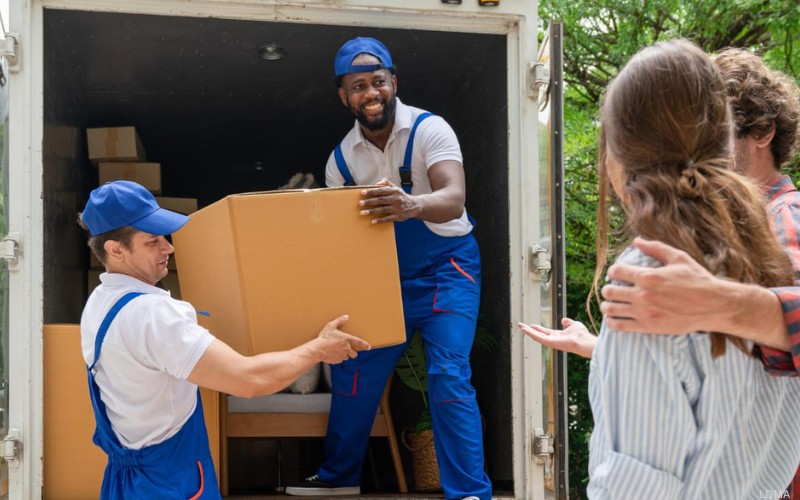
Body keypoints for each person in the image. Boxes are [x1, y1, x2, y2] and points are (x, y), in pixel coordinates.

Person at [525, 39, 800, 497]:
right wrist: (608, 350)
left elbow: (634, 484)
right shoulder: (758, 248)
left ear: (621, 151)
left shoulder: (654, 273)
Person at [284, 37, 490, 500]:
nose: (370, 92)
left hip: (447, 270)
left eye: (378, 81)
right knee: (354, 370)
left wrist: (411, 204)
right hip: (384, 279)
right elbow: (346, 239)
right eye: (359, 86)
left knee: (447, 373)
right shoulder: (340, 160)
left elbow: (454, 198)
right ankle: (339, 479)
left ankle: (469, 491)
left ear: (393, 82)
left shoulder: (431, 129)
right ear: (344, 96)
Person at [78, 180, 370, 499]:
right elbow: (249, 380)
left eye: (164, 237)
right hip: (170, 486)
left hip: (124, 483)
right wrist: (318, 349)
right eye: (152, 241)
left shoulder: (99, 303)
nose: (168, 248)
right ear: (115, 249)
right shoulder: (154, 314)